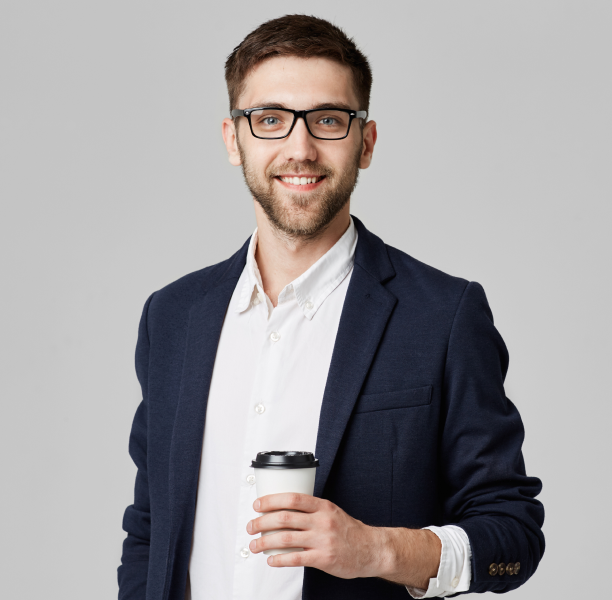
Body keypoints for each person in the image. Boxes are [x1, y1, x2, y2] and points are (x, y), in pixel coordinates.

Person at [117, 14, 545, 600]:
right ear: (233, 139)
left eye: (328, 120)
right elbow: (150, 529)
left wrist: (377, 550)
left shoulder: (443, 316)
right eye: (270, 119)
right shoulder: (171, 317)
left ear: (365, 143)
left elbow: (514, 538)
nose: (300, 149)